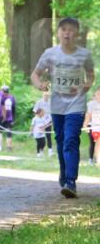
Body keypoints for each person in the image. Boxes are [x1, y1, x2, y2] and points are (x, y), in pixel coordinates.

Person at [31, 17, 96, 198]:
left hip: (77, 104)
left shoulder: (84, 55)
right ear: (58, 32)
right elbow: (35, 74)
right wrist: (40, 85)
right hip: (57, 105)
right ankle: (64, 172)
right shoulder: (50, 54)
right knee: (60, 141)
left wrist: (87, 84)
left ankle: (70, 181)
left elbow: (91, 74)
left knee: (71, 140)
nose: (67, 33)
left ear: (77, 33)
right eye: (64, 30)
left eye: (71, 30)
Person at [33, 90, 54, 156]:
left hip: (48, 120)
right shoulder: (39, 102)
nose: (46, 97)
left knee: (48, 135)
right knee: (40, 136)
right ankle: (40, 150)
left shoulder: (51, 102)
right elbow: (35, 111)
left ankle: (50, 150)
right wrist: (37, 120)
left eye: (47, 95)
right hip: (41, 120)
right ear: (43, 95)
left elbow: (53, 111)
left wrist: (51, 120)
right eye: (45, 95)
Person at [86, 89, 100, 166]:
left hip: (97, 126)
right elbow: (87, 116)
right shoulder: (90, 104)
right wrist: (85, 125)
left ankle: (97, 159)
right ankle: (91, 159)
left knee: (98, 142)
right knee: (93, 143)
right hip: (91, 126)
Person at [1, 84, 16, 151]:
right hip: (1, 117)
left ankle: (9, 147)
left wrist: (13, 119)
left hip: (9, 118)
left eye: (6, 91)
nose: (5, 92)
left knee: (9, 133)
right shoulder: (0, 97)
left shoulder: (11, 98)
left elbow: (14, 109)